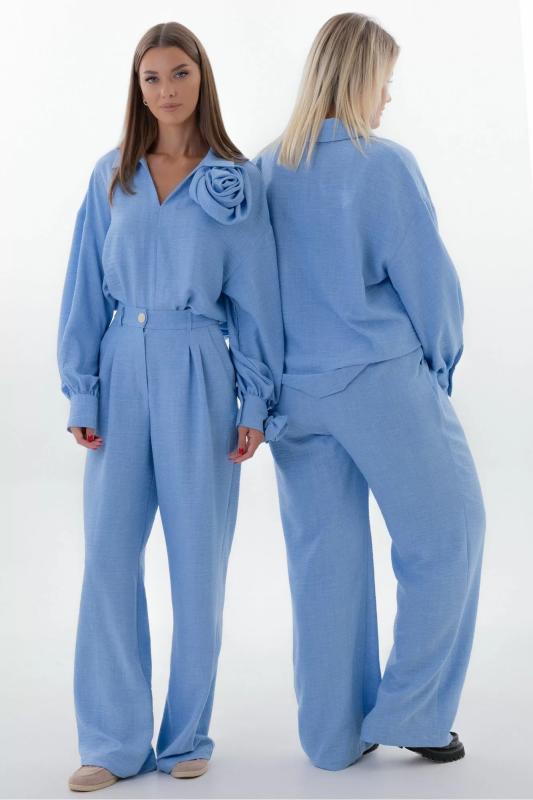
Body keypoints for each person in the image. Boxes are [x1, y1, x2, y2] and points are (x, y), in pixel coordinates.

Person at [57, 21, 286, 792]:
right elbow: (83, 289)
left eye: (179, 73)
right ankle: (111, 742)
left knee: (197, 565)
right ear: (138, 86)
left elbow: (255, 299)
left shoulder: (235, 180)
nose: (166, 89)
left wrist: (255, 399)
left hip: (199, 366)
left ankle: (187, 734)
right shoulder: (111, 175)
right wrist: (83, 389)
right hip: (120, 364)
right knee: (107, 560)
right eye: (151, 77)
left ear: (201, 78)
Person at [254, 12, 486, 770]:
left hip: (293, 395)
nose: (388, 97)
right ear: (360, 79)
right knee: (447, 538)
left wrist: (265, 393)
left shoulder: (263, 170)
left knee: (323, 565)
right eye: (384, 81)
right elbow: (429, 283)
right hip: (381, 381)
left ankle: (331, 737)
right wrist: (440, 367)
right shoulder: (381, 165)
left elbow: (248, 296)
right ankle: (415, 713)